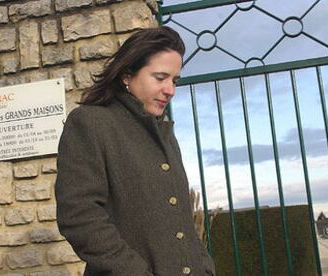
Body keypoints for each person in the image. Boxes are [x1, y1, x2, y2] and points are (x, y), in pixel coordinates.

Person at [55, 26, 216, 276]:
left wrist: (204, 267)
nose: (170, 90)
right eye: (160, 78)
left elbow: (180, 218)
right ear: (127, 75)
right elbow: (79, 217)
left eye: (174, 81)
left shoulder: (163, 134)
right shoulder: (90, 123)